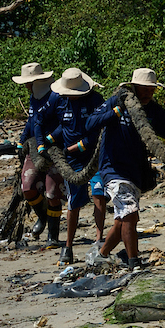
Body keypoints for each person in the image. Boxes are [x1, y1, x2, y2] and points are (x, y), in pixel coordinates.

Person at [86, 68, 165, 271]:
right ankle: (134, 264)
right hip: (113, 168)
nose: (149, 93)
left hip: (135, 170)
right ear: (134, 86)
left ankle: (102, 254)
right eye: (145, 89)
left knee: (123, 218)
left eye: (152, 89)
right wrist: (115, 113)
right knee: (131, 214)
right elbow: (90, 123)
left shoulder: (152, 110)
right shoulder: (116, 101)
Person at [44, 68, 107, 265]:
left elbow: (100, 129)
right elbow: (63, 125)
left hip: (94, 156)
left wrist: (78, 146)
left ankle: (99, 240)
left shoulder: (96, 101)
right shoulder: (60, 101)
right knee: (74, 202)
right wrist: (49, 139)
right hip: (71, 162)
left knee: (99, 195)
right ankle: (68, 246)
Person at [12, 63, 64, 244]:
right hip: (35, 146)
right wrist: (21, 140)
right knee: (28, 187)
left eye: (28, 82)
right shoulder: (33, 97)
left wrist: (50, 139)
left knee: (52, 192)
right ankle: (42, 217)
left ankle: (53, 234)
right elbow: (31, 121)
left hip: (55, 147)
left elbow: (63, 123)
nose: (26, 86)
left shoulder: (57, 96)